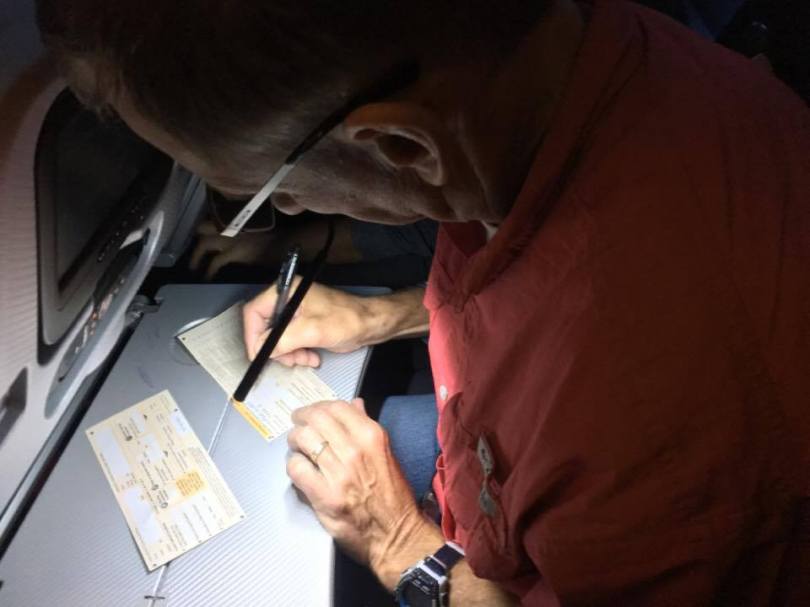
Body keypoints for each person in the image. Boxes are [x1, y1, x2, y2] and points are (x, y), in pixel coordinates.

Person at [36, 0, 809, 604]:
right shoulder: (557, 82)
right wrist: (376, 316)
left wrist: (399, 543)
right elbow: (521, 282)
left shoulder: (650, 415)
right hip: (485, 473)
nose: (289, 213)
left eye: (268, 195)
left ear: (404, 146)